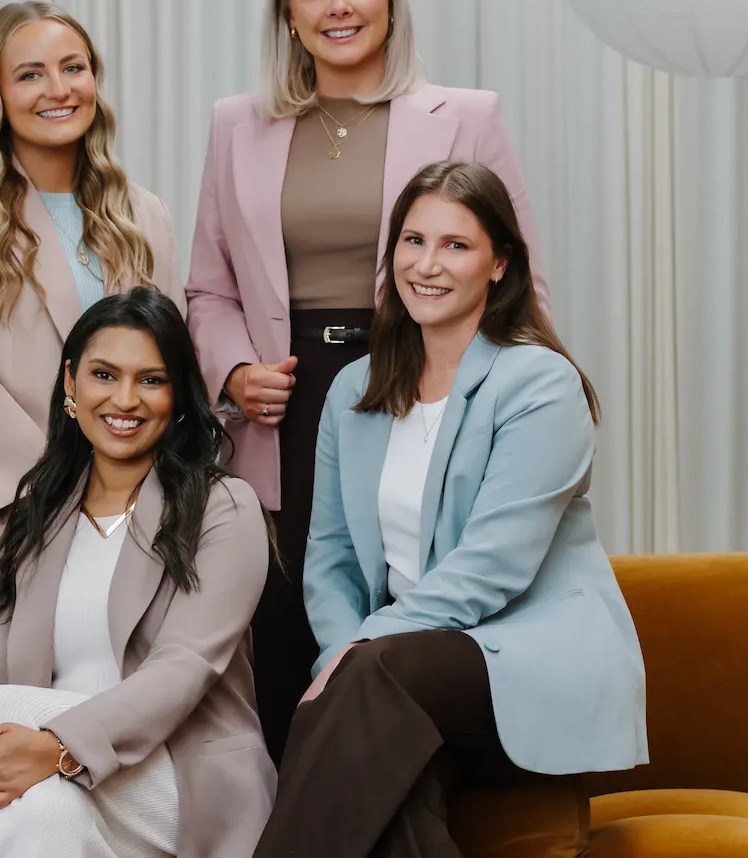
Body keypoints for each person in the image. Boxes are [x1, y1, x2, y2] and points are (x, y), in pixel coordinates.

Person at [185, 0, 551, 763]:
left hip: (418, 382)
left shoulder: (465, 113)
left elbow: (516, 269)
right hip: (286, 400)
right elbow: (208, 285)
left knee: (405, 600)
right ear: (287, 13)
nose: (337, 6)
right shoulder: (237, 122)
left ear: (391, 0)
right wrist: (235, 370)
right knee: (285, 621)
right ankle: (293, 813)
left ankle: (398, 804)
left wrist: (510, 404)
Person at [253, 162, 647, 857]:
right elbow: (332, 556)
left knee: (369, 685)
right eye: (412, 241)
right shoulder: (353, 390)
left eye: (456, 246)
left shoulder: (538, 384)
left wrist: (356, 651)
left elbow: (491, 567)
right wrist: (342, 655)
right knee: (390, 775)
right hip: (402, 673)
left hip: (524, 664)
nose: (426, 265)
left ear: (500, 265)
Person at [0, 1, 184, 837]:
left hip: (118, 525)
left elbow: (167, 362)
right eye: (31, 73)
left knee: (81, 755)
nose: (58, 89)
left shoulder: (143, 213)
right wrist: (60, 491)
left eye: (74, 68)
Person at [0, 288, 275, 858]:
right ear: (70, 384)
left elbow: (183, 669)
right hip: (47, 773)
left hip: (175, 775)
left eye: (151, 380)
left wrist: (57, 746)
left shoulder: (223, 506)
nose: (125, 400)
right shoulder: (40, 510)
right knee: (40, 812)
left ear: (179, 395)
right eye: (104, 374)